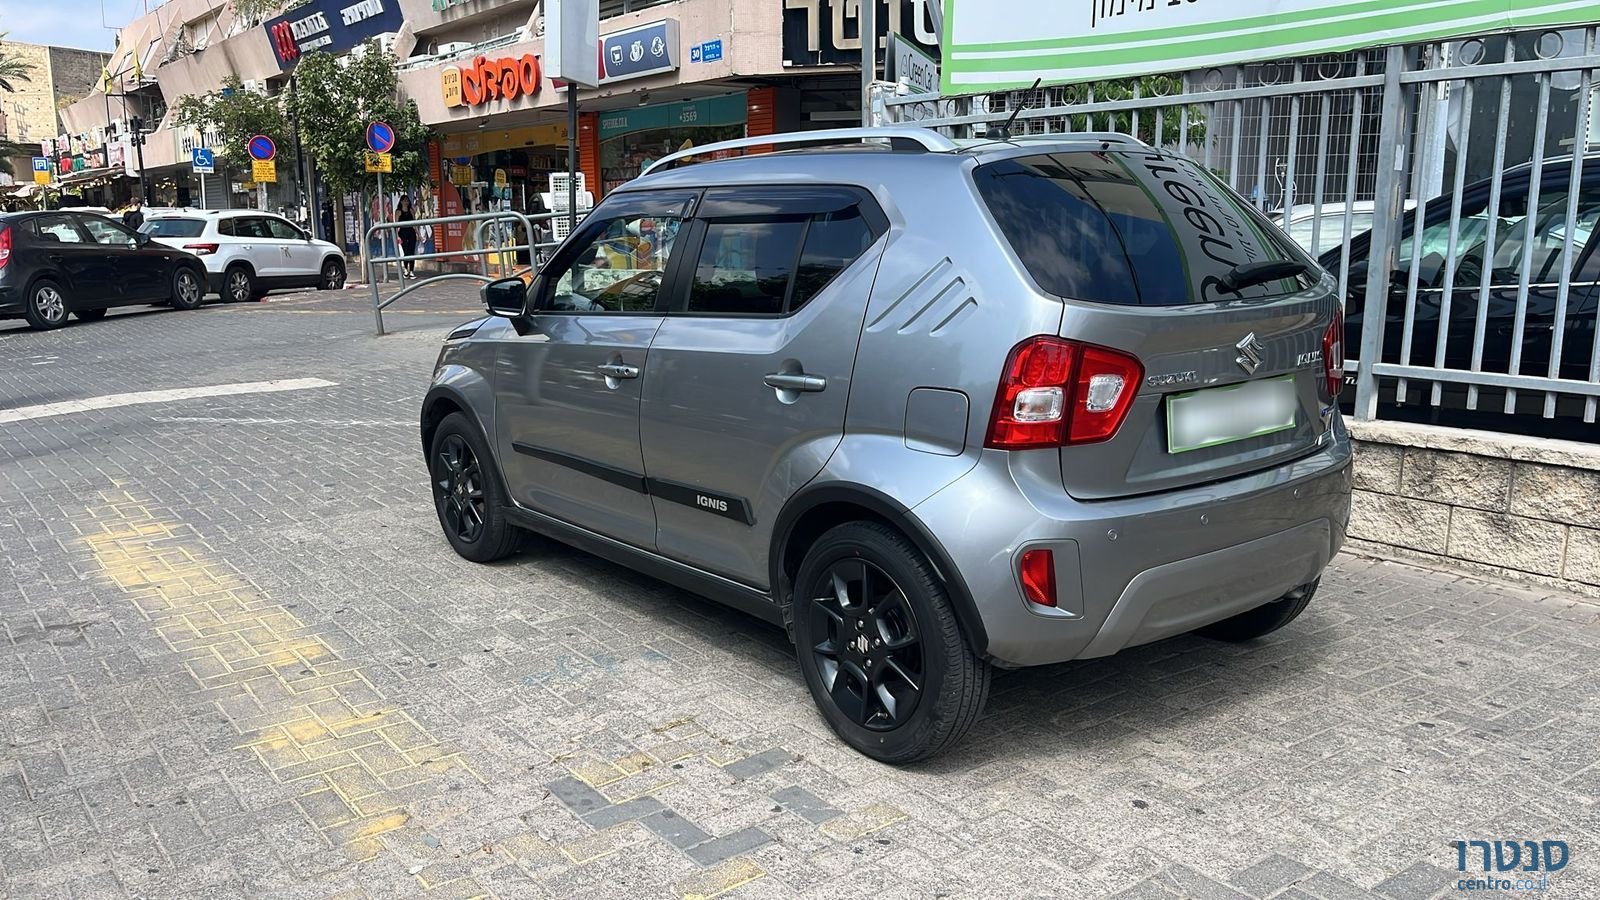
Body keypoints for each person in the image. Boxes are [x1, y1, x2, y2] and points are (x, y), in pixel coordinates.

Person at [396, 195, 418, 279]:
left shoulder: (411, 210)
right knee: (406, 251)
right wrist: (397, 236)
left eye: (407, 200)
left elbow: (414, 223)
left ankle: (411, 271)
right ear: (401, 202)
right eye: (404, 200)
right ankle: (405, 269)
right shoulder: (398, 212)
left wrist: (418, 234)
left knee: (412, 251)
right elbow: (396, 225)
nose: (406, 202)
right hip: (402, 233)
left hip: (411, 232)